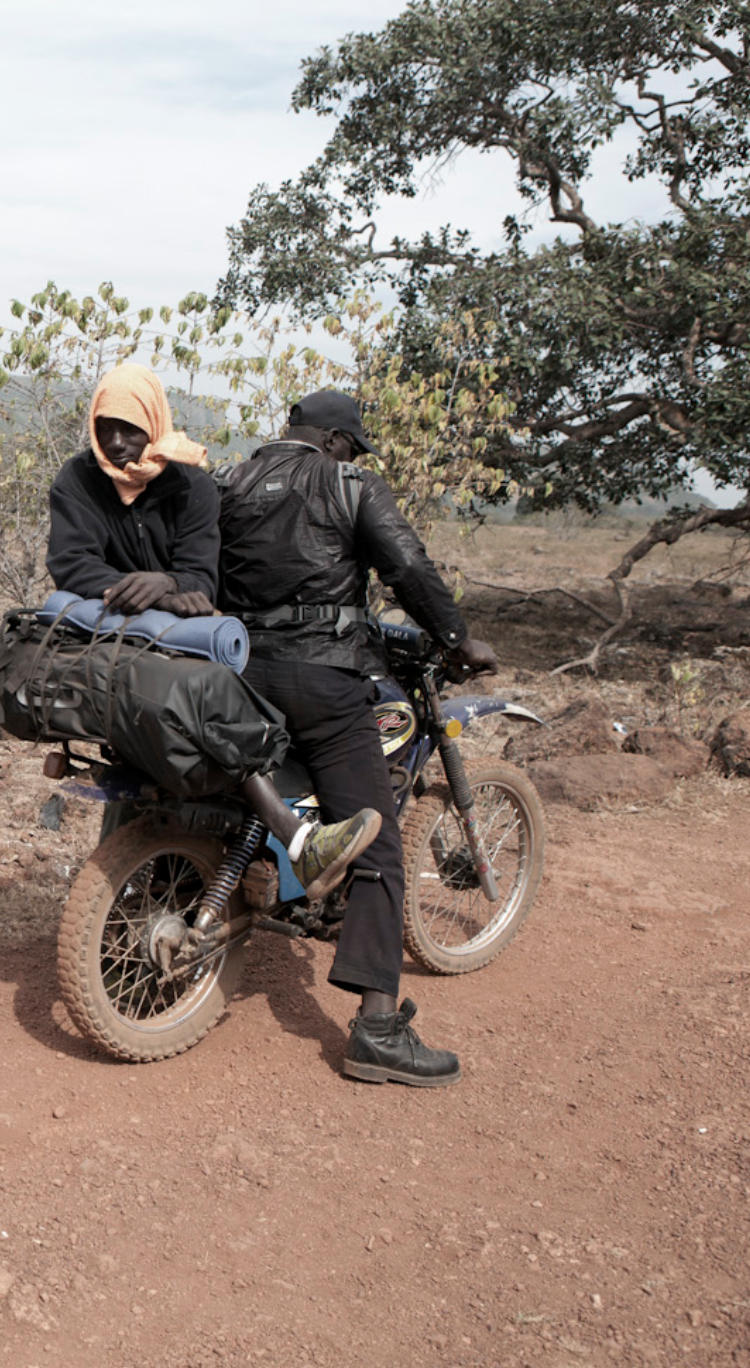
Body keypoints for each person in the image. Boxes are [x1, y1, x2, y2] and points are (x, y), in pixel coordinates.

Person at [218, 389, 499, 1088]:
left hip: (232, 674)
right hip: (321, 679)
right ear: (337, 441)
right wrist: (457, 638)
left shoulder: (228, 481)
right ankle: (377, 1027)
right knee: (375, 838)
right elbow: (407, 567)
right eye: (353, 444)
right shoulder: (350, 484)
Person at [48, 364, 382, 897]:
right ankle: (295, 837)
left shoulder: (193, 485)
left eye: (130, 429)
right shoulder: (78, 480)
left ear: (155, 424)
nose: (115, 442)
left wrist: (166, 584)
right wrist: (155, 592)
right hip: (111, 636)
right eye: (105, 426)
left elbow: (201, 578)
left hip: (175, 642)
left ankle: (158, 883)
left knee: (190, 718)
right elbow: (72, 565)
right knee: (211, 707)